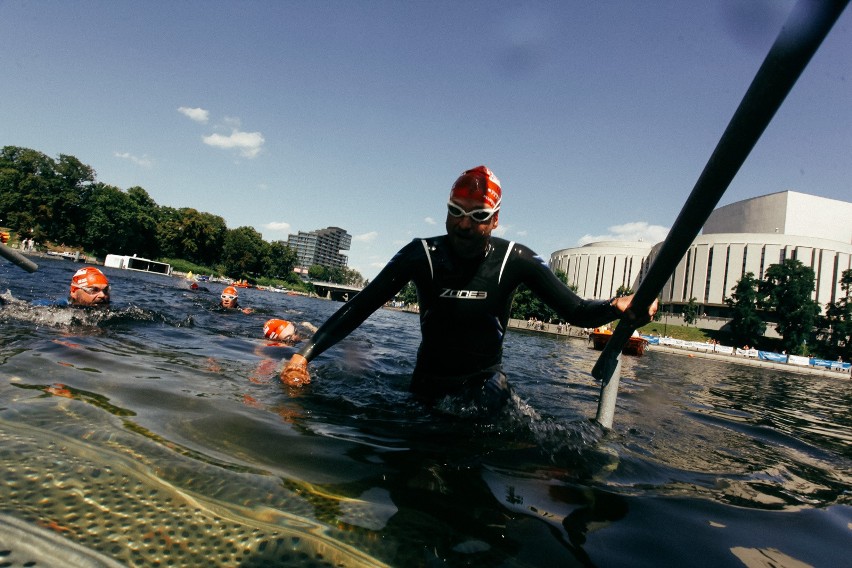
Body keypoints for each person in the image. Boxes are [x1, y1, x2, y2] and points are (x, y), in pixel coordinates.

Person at [280, 165, 656, 414]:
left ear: (494, 220)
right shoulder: (421, 255)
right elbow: (358, 308)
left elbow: (575, 312)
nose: (462, 224)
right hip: (425, 390)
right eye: (455, 211)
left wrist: (616, 306)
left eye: (476, 216)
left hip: (484, 392)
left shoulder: (515, 259)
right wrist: (304, 356)